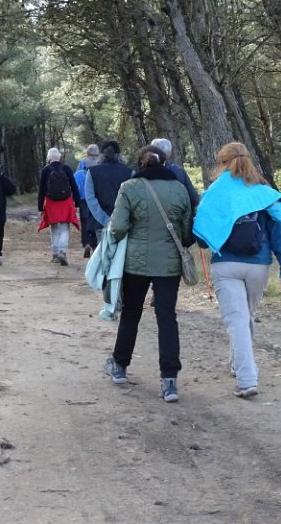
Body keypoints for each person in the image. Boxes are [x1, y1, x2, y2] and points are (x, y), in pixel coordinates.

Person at [192, 142, 281, 399]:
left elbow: (202, 240)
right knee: (244, 316)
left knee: (237, 320)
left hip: (225, 264)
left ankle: (247, 380)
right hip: (259, 265)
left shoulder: (214, 194)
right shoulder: (264, 194)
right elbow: (279, 236)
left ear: (223, 163)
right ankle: (238, 365)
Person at [103, 145, 193, 404]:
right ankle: (169, 380)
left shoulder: (129, 188)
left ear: (140, 164)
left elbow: (118, 227)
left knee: (131, 313)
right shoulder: (179, 189)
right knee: (167, 317)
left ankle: (120, 366)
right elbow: (187, 232)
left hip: (135, 264)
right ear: (165, 163)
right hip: (169, 264)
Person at [37, 147, 81, 266]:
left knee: (54, 227)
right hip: (66, 201)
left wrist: (40, 207)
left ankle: (55, 254)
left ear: (49, 157)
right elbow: (74, 186)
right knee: (65, 227)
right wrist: (77, 203)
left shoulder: (45, 170)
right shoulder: (66, 168)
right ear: (59, 157)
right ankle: (63, 251)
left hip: (51, 202)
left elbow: (41, 190)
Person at [84, 140, 132, 240]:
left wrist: (105, 220)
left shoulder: (92, 172)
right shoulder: (130, 172)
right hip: (124, 224)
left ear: (101, 155)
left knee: (103, 250)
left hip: (100, 224)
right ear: (119, 155)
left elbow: (90, 199)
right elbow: (132, 199)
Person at [150, 137, 200, 211]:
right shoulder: (178, 171)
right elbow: (194, 199)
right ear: (169, 153)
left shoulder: (145, 173)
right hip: (179, 213)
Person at [75, 143, 100, 258]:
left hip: (83, 198)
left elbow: (76, 180)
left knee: (84, 221)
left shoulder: (82, 163)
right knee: (95, 221)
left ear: (87, 153)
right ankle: (95, 245)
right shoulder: (99, 163)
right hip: (95, 197)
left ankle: (86, 243)